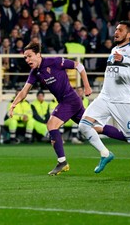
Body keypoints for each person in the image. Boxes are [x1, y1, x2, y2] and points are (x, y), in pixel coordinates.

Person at [9, 41, 92, 175]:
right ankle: (129, 136)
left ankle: (62, 162)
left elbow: (79, 66)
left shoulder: (55, 61)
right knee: (94, 127)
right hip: (68, 101)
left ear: (38, 54)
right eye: (25, 57)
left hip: (70, 99)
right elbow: (24, 91)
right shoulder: (35, 72)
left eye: (29, 56)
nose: (27, 60)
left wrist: (86, 86)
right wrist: (14, 104)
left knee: (51, 125)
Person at [79, 21, 130, 183]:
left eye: (120, 30)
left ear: (128, 35)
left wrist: (124, 58)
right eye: (115, 29)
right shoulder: (114, 49)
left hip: (121, 101)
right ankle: (105, 154)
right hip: (105, 97)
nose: (116, 32)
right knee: (84, 126)